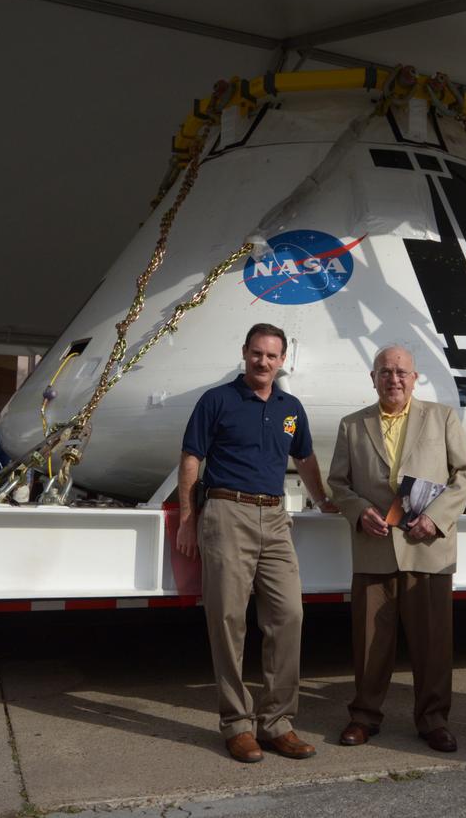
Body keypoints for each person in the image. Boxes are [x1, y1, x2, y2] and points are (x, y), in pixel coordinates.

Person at [175, 323, 337, 764]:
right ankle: (237, 725)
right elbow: (192, 457)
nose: (263, 362)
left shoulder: (291, 407)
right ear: (244, 353)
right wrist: (188, 518)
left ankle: (277, 723)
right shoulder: (218, 400)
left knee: (289, 615)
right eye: (256, 354)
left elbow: (303, 457)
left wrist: (322, 500)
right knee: (228, 620)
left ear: (282, 360)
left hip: (276, 516)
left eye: (271, 355)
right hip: (227, 511)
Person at [328, 345, 466, 754]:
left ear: (415, 378)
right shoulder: (351, 425)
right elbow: (337, 483)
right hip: (374, 545)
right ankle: (363, 717)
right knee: (370, 641)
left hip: (426, 546)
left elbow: (465, 475)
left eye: (401, 372)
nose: (393, 379)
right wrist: (358, 512)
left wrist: (438, 517)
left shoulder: (442, 417)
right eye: (385, 372)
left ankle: (433, 721)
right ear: (372, 378)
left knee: (433, 643)